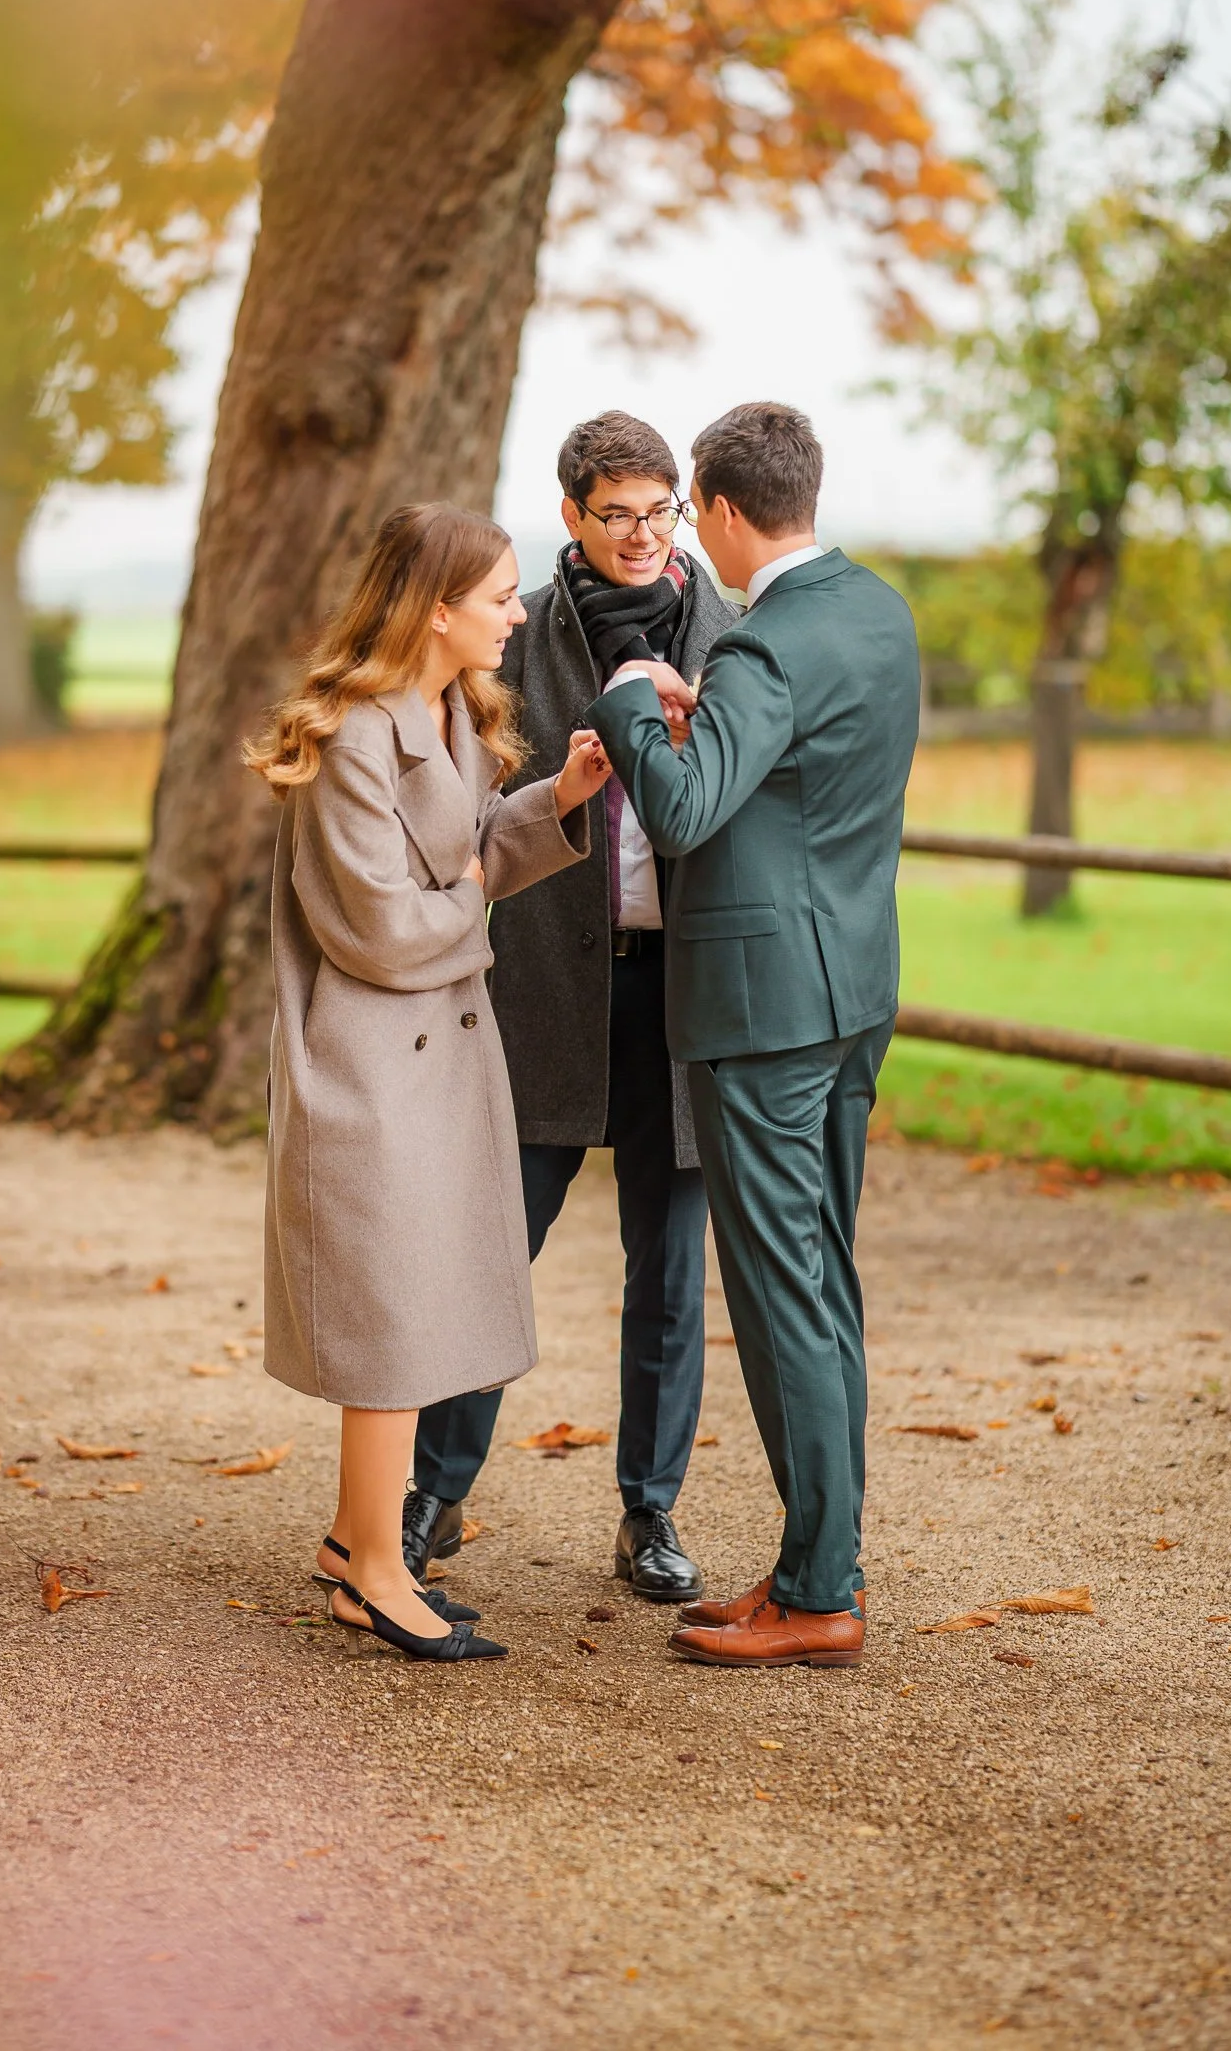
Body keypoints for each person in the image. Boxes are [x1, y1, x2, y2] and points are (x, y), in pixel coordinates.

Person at [246, 502, 610, 1664]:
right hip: (367, 1063)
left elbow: (461, 864)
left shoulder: (449, 711)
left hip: (432, 1059)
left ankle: (356, 1542)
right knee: (390, 1322)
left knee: (409, 1305)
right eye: (501, 596)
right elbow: (383, 932)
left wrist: (556, 798)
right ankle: (377, 1575)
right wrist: (463, 892)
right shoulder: (356, 735)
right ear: (437, 609)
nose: (517, 613)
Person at [588, 403, 919, 1668]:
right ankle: (805, 1563)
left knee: (785, 1293)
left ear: (720, 513)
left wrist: (631, 701)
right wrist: (702, 705)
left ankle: (819, 1589)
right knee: (819, 1278)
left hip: (761, 1013)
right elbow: (793, 778)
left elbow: (677, 809)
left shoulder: (761, 649)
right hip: (849, 994)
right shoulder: (873, 612)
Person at [406, 412, 733, 1603]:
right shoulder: (518, 636)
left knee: (668, 1274)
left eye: (662, 511)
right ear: (571, 516)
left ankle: (648, 1513)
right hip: (544, 984)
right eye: (618, 514)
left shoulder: (735, 638)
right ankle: (432, 1496)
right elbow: (457, 798)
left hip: (684, 997)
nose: (643, 535)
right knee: (495, 1250)